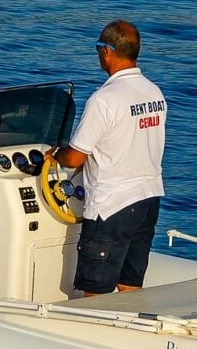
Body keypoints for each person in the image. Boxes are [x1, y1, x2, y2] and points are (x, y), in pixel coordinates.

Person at [49, 20, 167, 296]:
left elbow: (75, 158)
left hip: (112, 206)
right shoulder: (154, 93)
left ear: (107, 51)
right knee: (130, 287)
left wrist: (55, 154)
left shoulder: (105, 99)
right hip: (148, 201)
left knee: (95, 293)